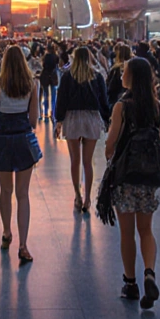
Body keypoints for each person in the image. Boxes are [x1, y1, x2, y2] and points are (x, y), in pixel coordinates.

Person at [105, 57, 160, 309]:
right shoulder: (157, 107)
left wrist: (111, 155)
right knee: (146, 230)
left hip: (126, 178)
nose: (122, 74)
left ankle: (130, 282)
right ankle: (149, 273)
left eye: (124, 71)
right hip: (149, 180)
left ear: (131, 77)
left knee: (127, 232)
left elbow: (111, 143)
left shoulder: (121, 107)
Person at [0, 46, 42, 262]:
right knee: (23, 194)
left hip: (2, 141)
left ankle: (6, 232)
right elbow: (34, 120)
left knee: (5, 191)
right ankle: (23, 245)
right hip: (24, 141)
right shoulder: (32, 85)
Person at [55, 46, 111, 215]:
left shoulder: (67, 76)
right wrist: (107, 119)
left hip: (72, 118)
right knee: (88, 161)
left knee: (75, 160)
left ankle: (77, 196)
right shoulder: (97, 76)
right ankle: (87, 199)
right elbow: (104, 100)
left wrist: (59, 120)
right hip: (91, 118)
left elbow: (61, 99)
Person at [38, 46, 59, 122]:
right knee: (53, 96)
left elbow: (43, 66)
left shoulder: (45, 57)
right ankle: (53, 113)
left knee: (45, 95)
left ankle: (45, 112)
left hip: (45, 77)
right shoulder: (56, 57)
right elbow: (57, 66)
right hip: (53, 77)